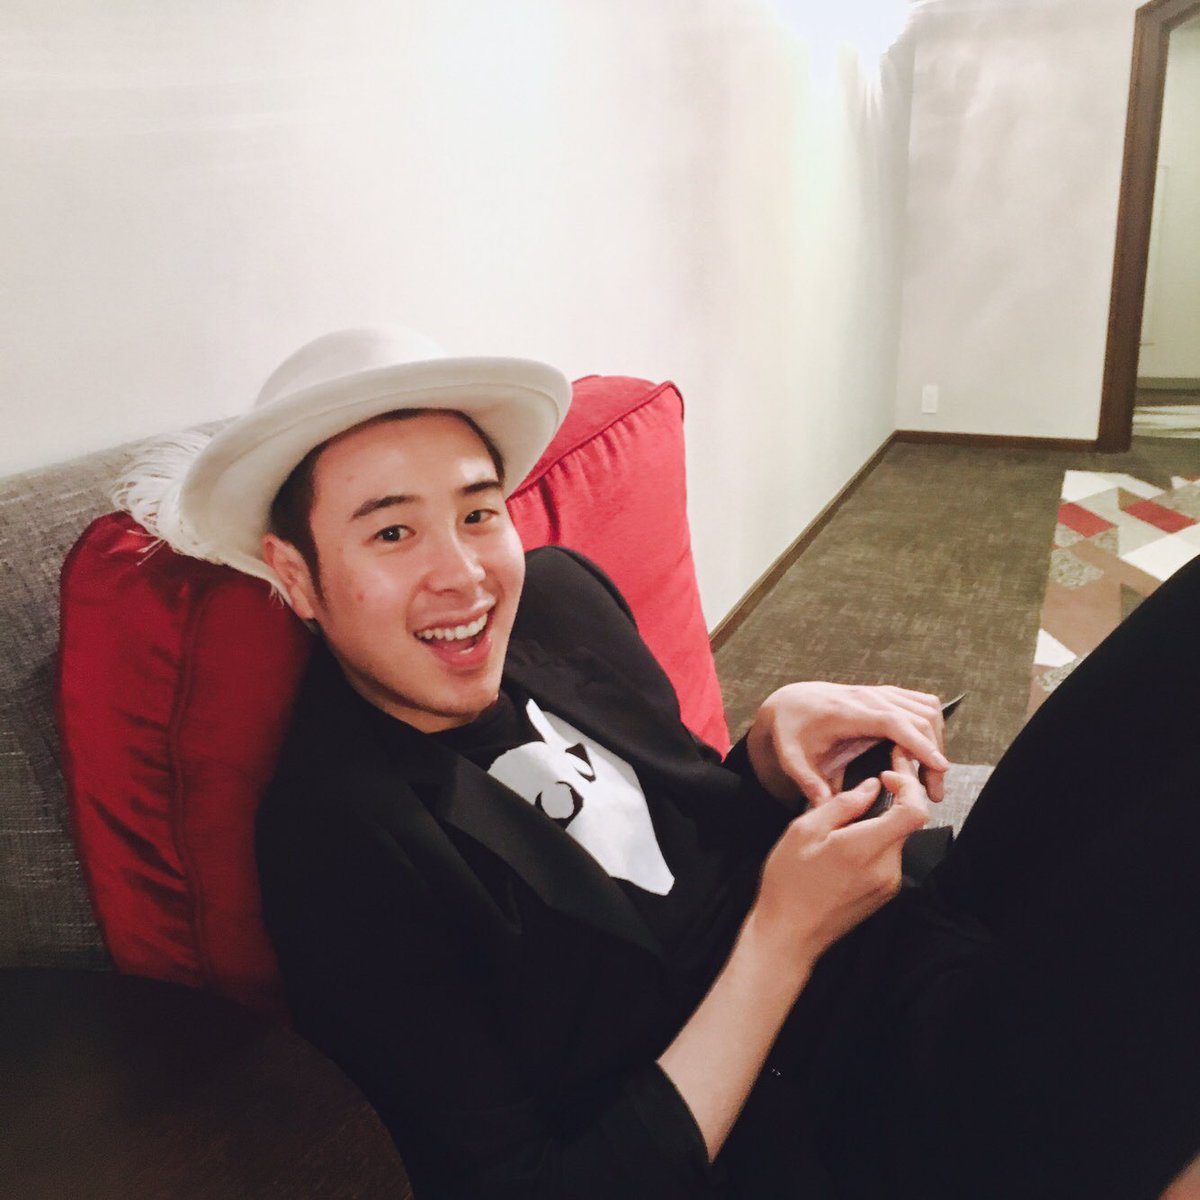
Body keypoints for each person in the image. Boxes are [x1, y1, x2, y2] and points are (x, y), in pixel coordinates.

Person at [121, 328, 1200, 1200]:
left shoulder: (557, 602)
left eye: (477, 512)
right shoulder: (344, 842)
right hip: (854, 1122)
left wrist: (766, 750)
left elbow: (668, 848)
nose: (465, 578)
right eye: (392, 534)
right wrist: (783, 938)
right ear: (295, 575)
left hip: (918, 925)